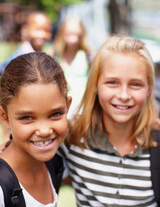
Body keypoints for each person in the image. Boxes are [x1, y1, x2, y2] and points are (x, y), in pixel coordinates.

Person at [58, 35, 160, 206]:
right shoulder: (72, 136)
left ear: (149, 89)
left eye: (136, 84)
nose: (123, 95)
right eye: (112, 82)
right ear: (95, 85)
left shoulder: (156, 143)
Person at [0, 52, 72, 206]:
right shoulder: (3, 186)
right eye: (27, 117)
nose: (44, 130)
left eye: (55, 114)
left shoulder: (56, 162)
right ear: (4, 117)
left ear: (68, 107)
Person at [47, 15, 93, 118]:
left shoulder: (88, 55)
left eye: (76, 34)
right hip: (60, 107)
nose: (73, 38)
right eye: (69, 33)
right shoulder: (53, 54)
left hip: (81, 109)